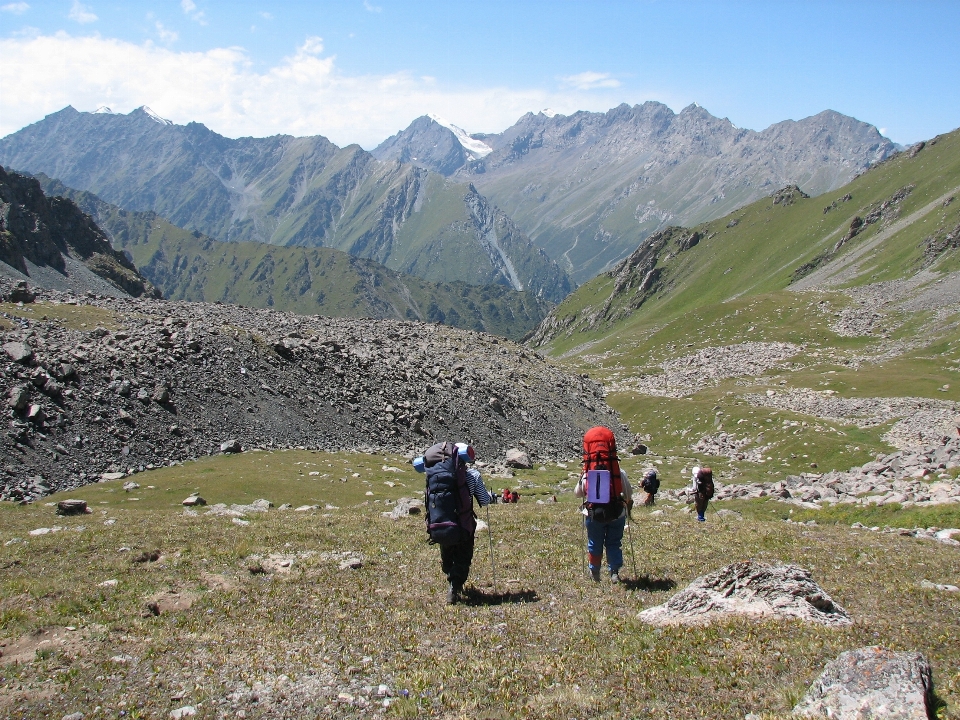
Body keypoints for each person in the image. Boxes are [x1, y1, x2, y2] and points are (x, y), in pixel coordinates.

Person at [416, 441, 493, 605]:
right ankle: (454, 587)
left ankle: (450, 574)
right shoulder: (473, 475)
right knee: (463, 557)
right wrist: (491, 497)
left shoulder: (434, 475)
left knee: (448, 550)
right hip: (464, 525)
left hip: (440, 522)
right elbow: (484, 501)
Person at [575, 426, 633, 583]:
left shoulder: (587, 473)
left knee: (594, 542)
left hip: (594, 513)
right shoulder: (618, 472)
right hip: (617, 512)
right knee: (614, 542)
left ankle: (594, 572)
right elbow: (628, 493)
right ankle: (614, 572)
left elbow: (578, 493)